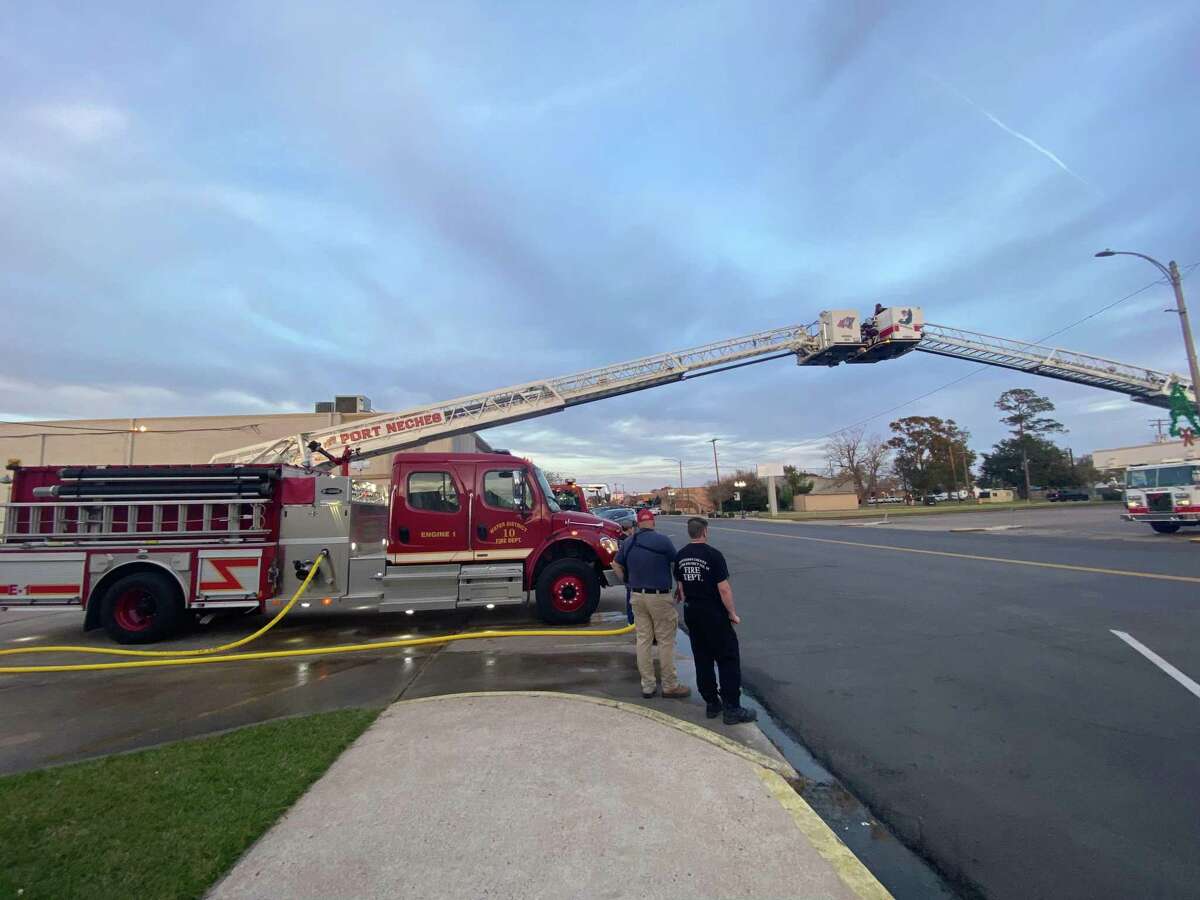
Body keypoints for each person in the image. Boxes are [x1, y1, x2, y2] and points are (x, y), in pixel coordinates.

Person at [673, 517, 756, 724]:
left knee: (702, 659)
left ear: (690, 532)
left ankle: (711, 702)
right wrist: (732, 613)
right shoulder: (713, 555)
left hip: (692, 611)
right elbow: (724, 588)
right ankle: (732, 708)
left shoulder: (681, 555)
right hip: (713, 614)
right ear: (705, 532)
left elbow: (681, 587)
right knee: (727, 658)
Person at [612, 509, 690, 700]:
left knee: (643, 640)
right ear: (653, 522)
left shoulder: (629, 542)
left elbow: (615, 564)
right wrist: (681, 587)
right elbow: (676, 563)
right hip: (659, 596)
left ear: (637, 523)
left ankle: (647, 686)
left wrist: (627, 583)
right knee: (665, 641)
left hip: (637, 596)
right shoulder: (662, 540)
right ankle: (670, 685)